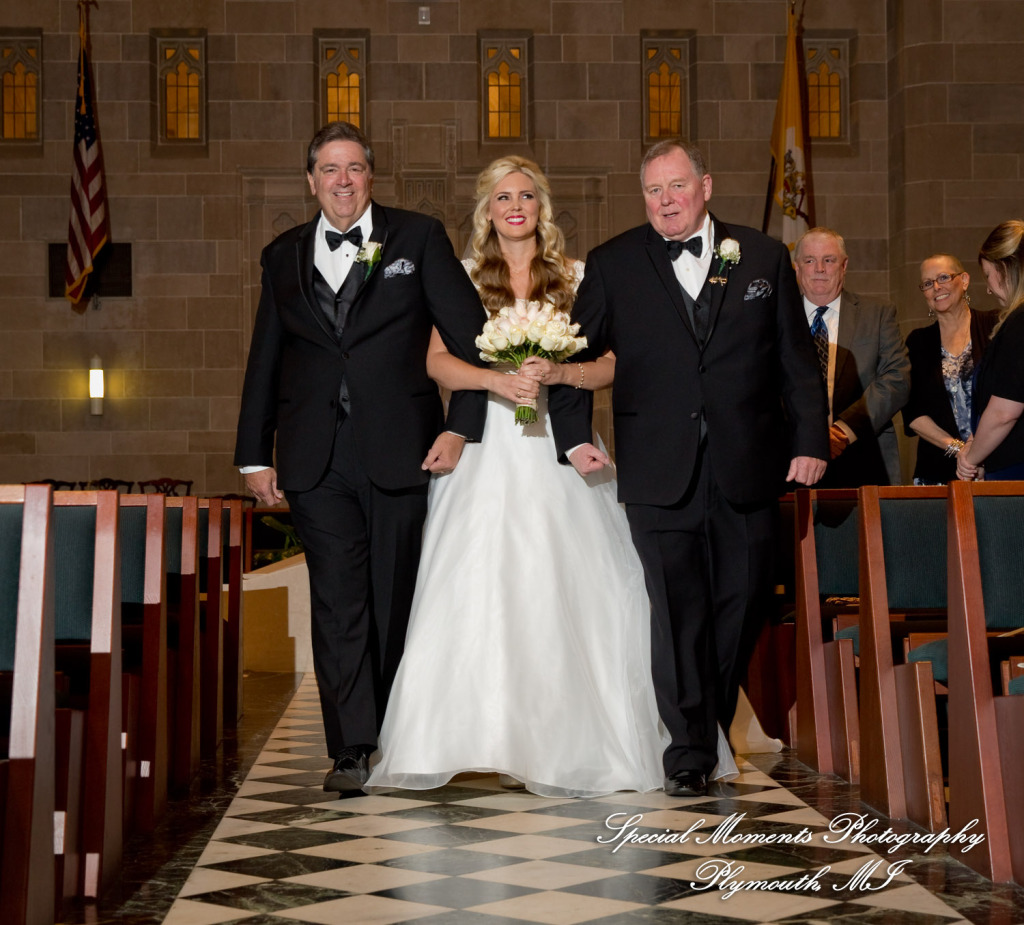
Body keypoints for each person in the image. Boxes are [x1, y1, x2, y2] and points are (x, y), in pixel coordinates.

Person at [365, 155, 737, 798]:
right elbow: (436, 363)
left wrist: (561, 373)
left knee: (571, 584)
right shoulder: (457, 276)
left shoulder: (577, 275)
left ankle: (578, 740)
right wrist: (495, 380)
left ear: (542, 206)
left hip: (560, 448)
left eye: (527, 195)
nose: (516, 206)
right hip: (485, 450)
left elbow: (614, 361)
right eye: (503, 196)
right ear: (486, 209)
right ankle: (473, 736)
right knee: (477, 586)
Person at [555, 139, 828, 798]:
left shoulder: (761, 256)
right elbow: (572, 351)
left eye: (677, 186)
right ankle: (687, 751)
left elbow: (795, 357)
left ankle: (702, 717)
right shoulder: (614, 262)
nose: (666, 200)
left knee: (741, 602)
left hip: (748, 462)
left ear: (706, 185)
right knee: (676, 608)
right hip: (657, 469)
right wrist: (570, 436)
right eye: (653, 190)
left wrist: (811, 438)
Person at [233, 121, 489, 793]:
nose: (341, 181)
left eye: (353, 168)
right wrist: (252, 455)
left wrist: (462, 426)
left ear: (370, 176)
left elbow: (472, 339)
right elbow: (266, 359)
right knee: (339, 600)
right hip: (314, 458)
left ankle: (397, 727)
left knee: (393, 597)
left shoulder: (418, 237)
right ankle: (351, 746)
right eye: (328, 169)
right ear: (311, 180)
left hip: (405, 448)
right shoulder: (281, 255)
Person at [793, 227, 911, 487]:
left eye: (829, 260)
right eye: (809, 260)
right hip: (793, 463)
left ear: (844, 266)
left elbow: (896, 379)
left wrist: (842, 432)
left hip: (864, 459)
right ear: (797, 268)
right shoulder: (777, 319)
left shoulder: (878, 314)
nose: (819, 268)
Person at [904, 254, 997, 484]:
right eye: (927, 283)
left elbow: (1007, 395)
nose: (936, 287)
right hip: (938, 471)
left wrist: (978, 452)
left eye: (943, 277)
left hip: (996, 465)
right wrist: (959, 450)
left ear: (964, 280)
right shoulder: (918, 342)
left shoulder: (996, 326)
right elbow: (913, 413)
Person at [957, 220, 1024, 481]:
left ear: (1005, 268)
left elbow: (1004, 413)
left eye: (988, 275)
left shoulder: (1019, 323)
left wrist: (970, 460)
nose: (988, 288)